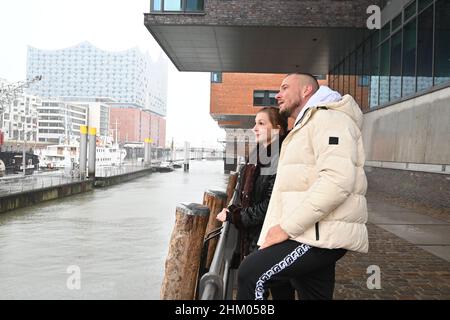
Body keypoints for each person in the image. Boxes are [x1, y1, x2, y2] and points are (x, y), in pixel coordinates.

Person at [236, 73, 369, 300]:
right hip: (313, 229)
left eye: (285, 88)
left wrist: (285, 228)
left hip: (316, 232)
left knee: (252, 273)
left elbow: (337, 181)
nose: (278, 95)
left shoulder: (330, 119)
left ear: (306, 90)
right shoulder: (309, 122)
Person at [216, 107, 294, 299]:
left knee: (271, 287)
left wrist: (233, 215)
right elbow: (247, 195)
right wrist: (234, 209)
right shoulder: (258, 154)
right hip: (254, 237)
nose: (254, 128)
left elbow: (269, 206)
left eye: (261, 123)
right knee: (276, 288)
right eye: (255, 123)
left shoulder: (280, 159)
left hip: (270, 238)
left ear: (277, 129)